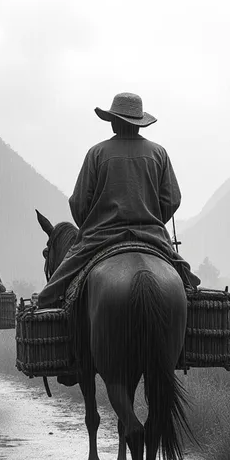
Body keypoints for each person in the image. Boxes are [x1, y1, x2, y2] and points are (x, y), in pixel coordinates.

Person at [37, 92, 200, 308]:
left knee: (58, 283)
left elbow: (78, 204)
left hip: (100, 236)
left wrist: (94, 222)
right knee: (189, 281)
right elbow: (172, 199)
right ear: (139, 124)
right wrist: (151, 217)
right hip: (153, 235)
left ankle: (45, 301)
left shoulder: (96, 153)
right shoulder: (159, 153)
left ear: (113, 122)